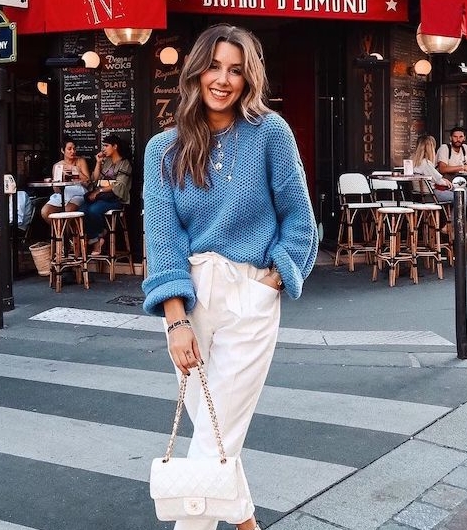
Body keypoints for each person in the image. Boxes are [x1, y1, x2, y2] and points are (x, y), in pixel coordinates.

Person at [142, 24, 318, 530]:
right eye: (214, 66)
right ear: (195, 69)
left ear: (248, 78)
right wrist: (175, 321)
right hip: (189, 299)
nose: (223, 79)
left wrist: (276, 280)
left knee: (215, 435)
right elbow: (162, 238)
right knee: (216, 434)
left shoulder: (270, 132)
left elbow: (298, 217)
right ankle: (244, 522)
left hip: (251, 292)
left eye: (235, 69)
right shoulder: (162, 149)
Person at [413, 135, 467, 228]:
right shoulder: (426, 163)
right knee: (461, 195)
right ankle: (454, 225)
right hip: (431, 196)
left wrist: (443, 180)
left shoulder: (415, 162)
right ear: (429, 149)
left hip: (422, 195)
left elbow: (434, 177)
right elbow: (439, 181)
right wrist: (446, 182)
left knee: (461, 189)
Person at [81, 134, 132, 255]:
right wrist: (98, 162)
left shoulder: (125, 164)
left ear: (115, 146)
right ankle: (99, 234)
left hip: (116, 199)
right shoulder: (107, 162)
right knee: (82, 209)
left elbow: (119, 185)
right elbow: (95, 179)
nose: (103, 148)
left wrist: (100, 191)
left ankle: (97, 239)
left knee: (93, 210)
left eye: (106, 145)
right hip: (102, 198)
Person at [40, 139, 91, 223]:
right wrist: (58, 181)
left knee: (68, 210)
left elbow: (88, 181)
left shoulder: (80, 161)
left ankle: (66, 233)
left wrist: (75, 170)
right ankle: (60, 233)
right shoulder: (58, 166)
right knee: (45, 212)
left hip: (78, 193)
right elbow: (56, 190)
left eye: (74, 149)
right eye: (69, 149)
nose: (73, 151)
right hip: (63, 194)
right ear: (63, 150)